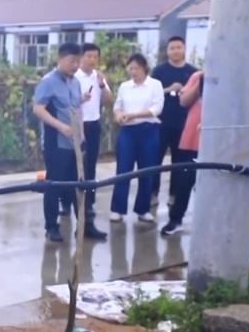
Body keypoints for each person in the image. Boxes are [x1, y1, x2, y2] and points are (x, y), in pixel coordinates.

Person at [32, 43, 108, 242]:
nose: (75, 65)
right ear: (60, 59)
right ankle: (51, 227)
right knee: (54, 185)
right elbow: (38, 109)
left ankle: (85, 226)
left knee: (80, 184)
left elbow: (77, 109)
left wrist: (81, 136)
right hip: (56, 142)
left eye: (77, 61)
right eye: (71, 61)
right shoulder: (48, 82)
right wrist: (61, 127)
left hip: (75, 142)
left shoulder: (75, 83)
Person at [109, 53, 165, 223]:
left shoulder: (155, 85)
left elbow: (157, 109)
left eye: (136, 68)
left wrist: (134, 115)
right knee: (123, 169)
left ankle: (143, 209)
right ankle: (117, 209)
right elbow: (118, 106)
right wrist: (119, 115)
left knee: (146, 170)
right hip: (128, 131)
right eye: (131, 68)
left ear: (144, 68)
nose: (133, 72)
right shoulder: (125, 86)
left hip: (149, 130)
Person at [150, 37, 198, 207]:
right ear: (167, 51)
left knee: (179, 162)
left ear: (184, 49)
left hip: (184, 124)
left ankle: (174, 195)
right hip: (161, 123)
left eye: (179, 47)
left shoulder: (193, 72)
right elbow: (151, 94)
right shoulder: (159, 71)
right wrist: (169, 89)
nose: (176, 51)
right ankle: (153, 193)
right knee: (155, 160)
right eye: (172, 48)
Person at [72, 43, 114, 224]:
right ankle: (67, 201)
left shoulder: (98, 77)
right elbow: (67, 101)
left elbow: (108, 100)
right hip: (76, 124)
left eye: (95, 57)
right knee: (72, 164)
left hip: (93, 124)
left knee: (90, 165)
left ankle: (89, 202)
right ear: (81, 57)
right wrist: (80, 99)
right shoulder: (74, 77)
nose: (92, 60)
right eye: (88, 56)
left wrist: (102, 85)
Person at [160, 70, 204, 236]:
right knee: (184, 181)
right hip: (193, 137)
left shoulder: (233, 77)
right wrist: (201, 83)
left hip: (218, 139)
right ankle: (175, 219)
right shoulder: (198, 76)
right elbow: (184, 101)